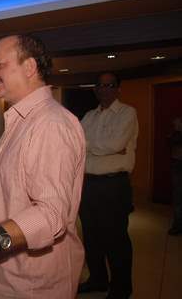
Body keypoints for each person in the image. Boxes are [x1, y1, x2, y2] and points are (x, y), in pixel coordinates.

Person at [0, 34, 86, 299]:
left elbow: (50, 215)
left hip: (28, 285)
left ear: (30, 67)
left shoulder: (51, 125)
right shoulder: (22, 119)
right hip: (1, 278)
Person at [78, 72, 138, 299]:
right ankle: (98, 279)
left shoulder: (127, 113)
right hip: (88, 184)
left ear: (118, 88)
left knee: (116, 239)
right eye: (100, 85)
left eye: (110, 85)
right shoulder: (90, 116)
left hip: (114, 185)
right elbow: (76, 142)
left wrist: (87, 145)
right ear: (95, 89)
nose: (104, 89)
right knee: (92, 237)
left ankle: (121, 288)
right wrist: (100, 146)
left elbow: (115, 144)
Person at [168, 116, 182, 235]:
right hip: (177, 165)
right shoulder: (176, 134)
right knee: (178, 197)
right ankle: (177, 225)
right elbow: (171, 142)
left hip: (177, 164)